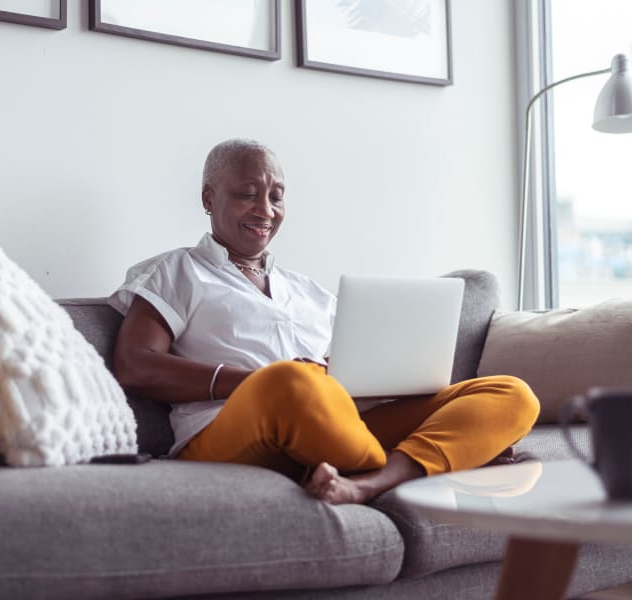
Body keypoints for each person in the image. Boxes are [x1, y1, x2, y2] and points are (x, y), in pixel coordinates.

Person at [109, 138, 540, 505]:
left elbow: (347, 373)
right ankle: (442, 458)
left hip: (336, 423)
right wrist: (257, 381)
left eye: (276, 196)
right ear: (208, 198)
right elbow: (136, 364)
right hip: (229, 434)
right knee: (292, 383)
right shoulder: (177, 271)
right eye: (247, 193)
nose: (265, 209)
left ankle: (368, 482)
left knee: (512, 393)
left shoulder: (309, 292)